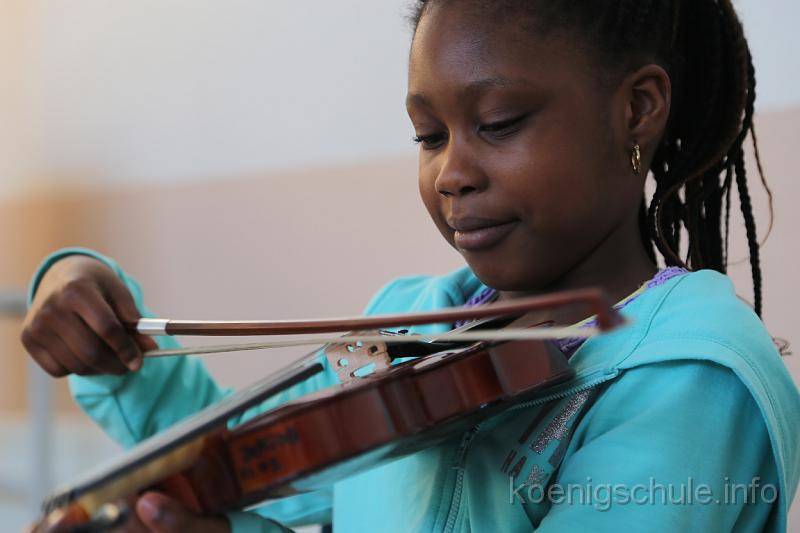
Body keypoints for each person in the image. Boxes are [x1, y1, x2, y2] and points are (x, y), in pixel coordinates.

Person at [21, 1, 800, 532]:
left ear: (636, 109)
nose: (451, 173)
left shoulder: (692, 374)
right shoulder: (408, 333)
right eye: (429, 136)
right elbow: (231, 455)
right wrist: (96, 318)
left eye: (499, 122)